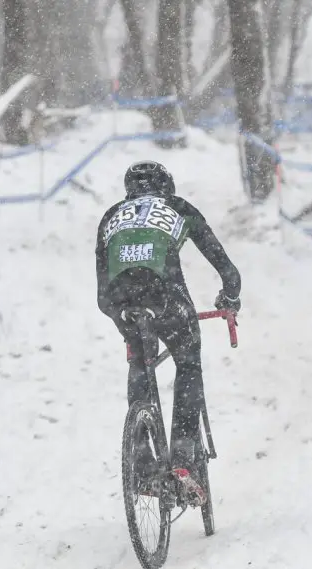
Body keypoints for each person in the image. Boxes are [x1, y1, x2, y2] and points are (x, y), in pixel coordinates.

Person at [95, 160, 241, 505]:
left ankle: (143, 463)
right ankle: (184, 455)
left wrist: (119, 311)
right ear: (167, 188)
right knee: (188, 362)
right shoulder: (177, 208)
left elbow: (101, 290)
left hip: (120, 298)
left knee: (140, 363)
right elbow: (227, 270)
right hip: (164, 293)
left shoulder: (111, 215)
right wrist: (229, 296)